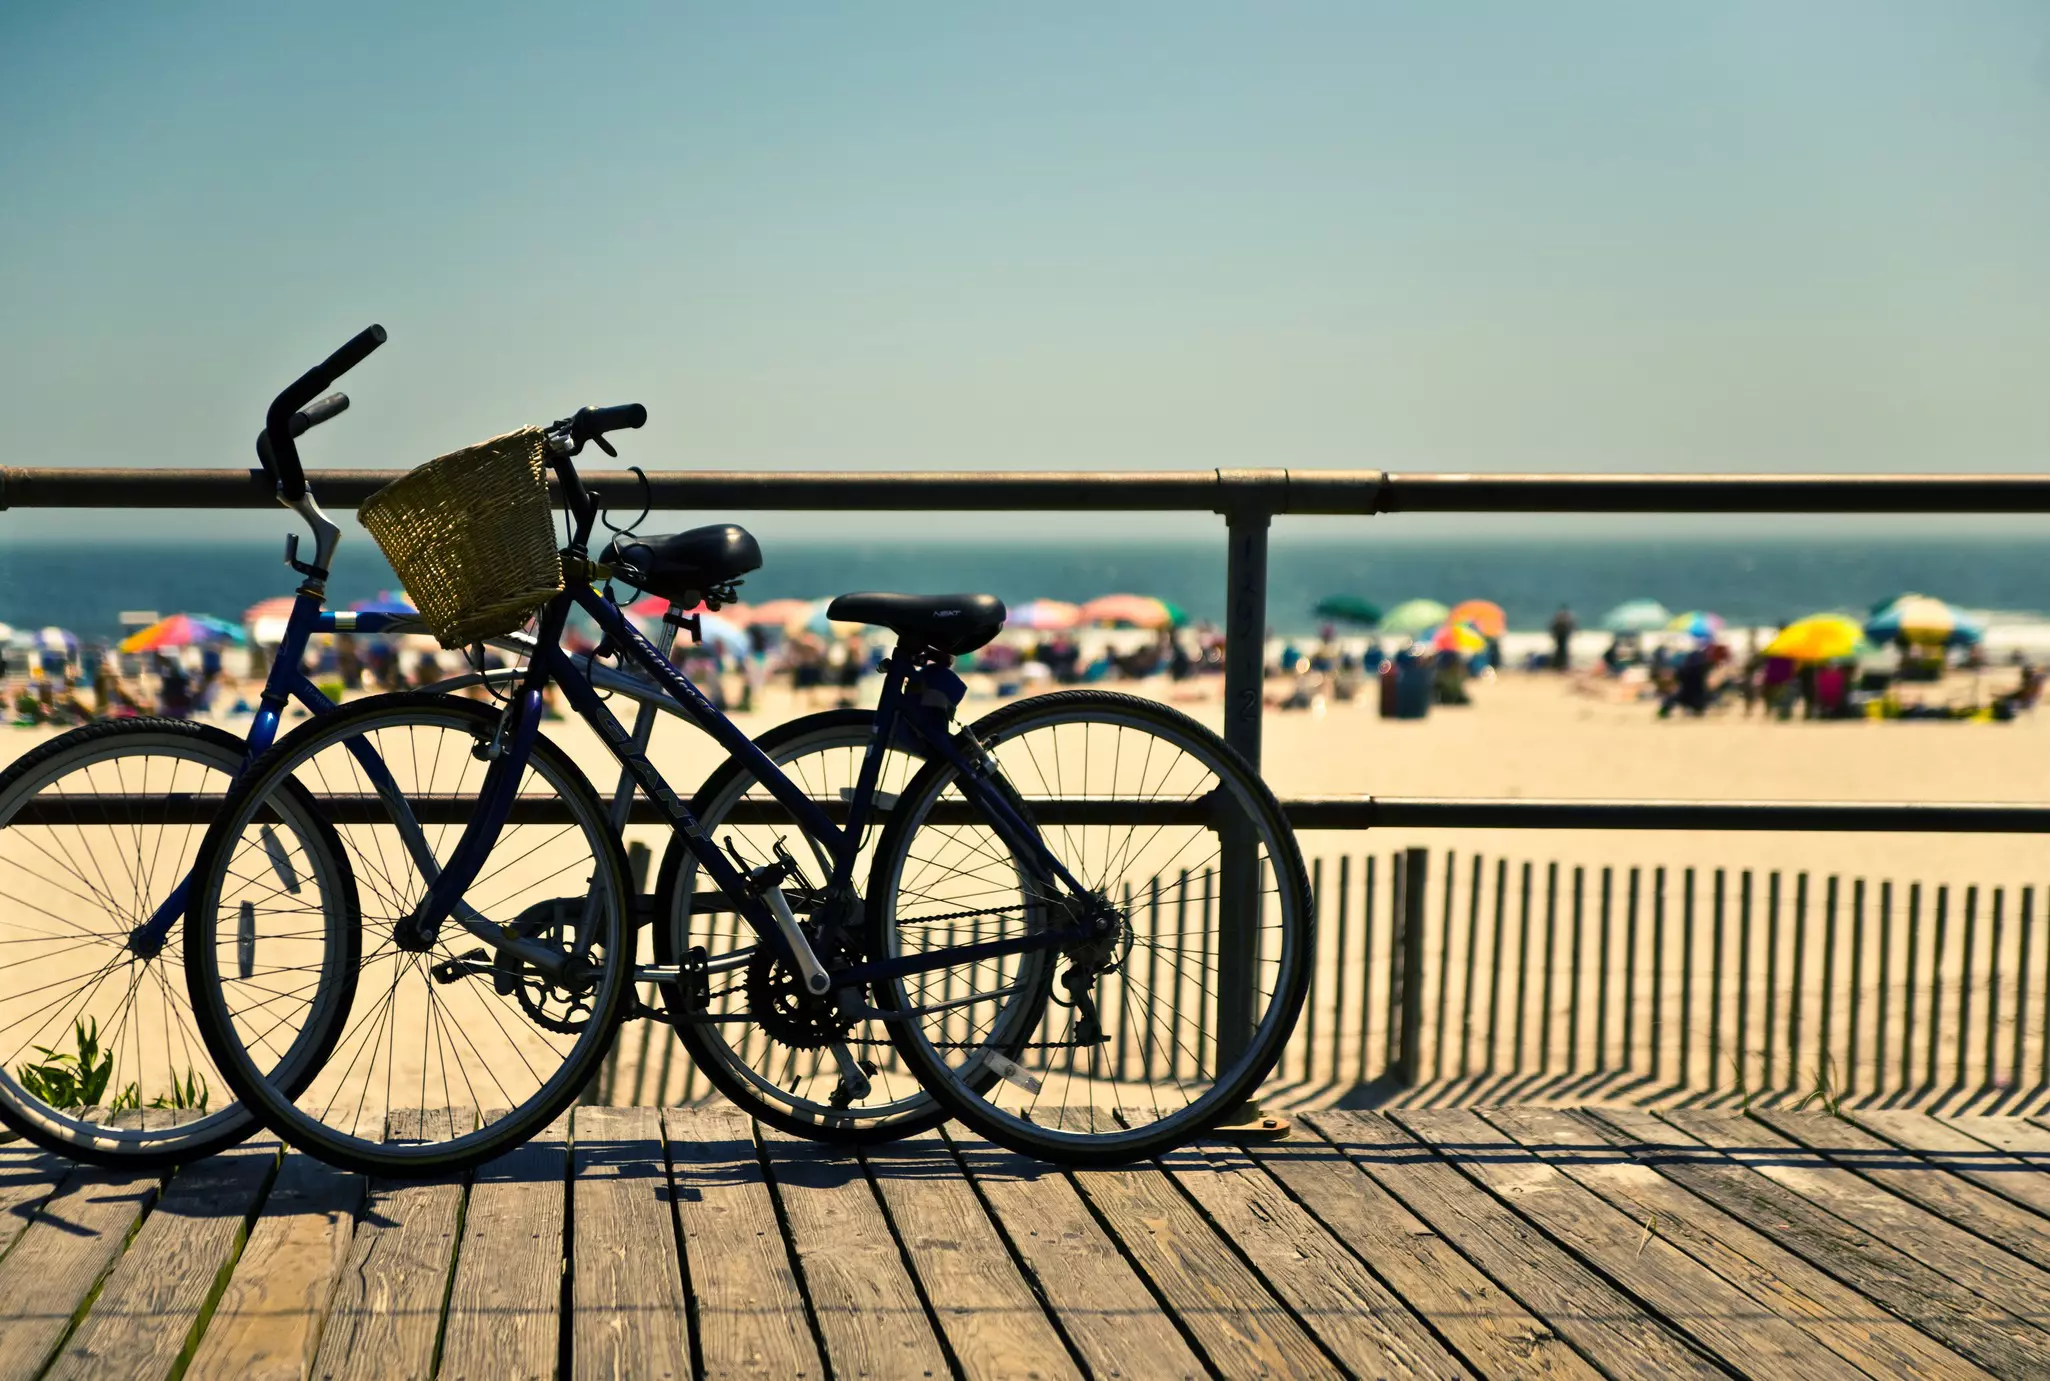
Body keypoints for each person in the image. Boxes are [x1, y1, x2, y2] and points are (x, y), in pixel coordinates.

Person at [1549, 605, 1575, 671]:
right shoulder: (1565, 618)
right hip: (1561, 637)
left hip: (1561, 637)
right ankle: (1561, 665)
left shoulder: (1559, 618)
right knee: (1562, 651)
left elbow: (1553, 629)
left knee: (1561, 651)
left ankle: (1560, 665)